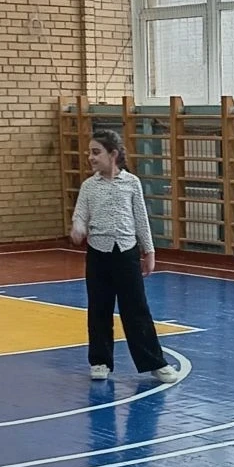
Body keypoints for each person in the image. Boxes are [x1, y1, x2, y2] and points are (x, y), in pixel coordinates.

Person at [69, 129, 179, 383]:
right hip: (98, 255)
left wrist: (149, 251)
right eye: (89, 152)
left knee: (137, 309)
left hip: (127, 254)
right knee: (99, 308)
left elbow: (141, 219)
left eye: (96, 152)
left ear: (113, 154)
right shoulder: (88, 186)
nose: (91, 157)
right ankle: (100, 361)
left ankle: (154, 362)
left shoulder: (132, 183)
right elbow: (80, 214)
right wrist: (78, 227)